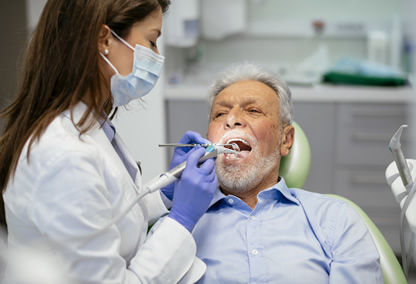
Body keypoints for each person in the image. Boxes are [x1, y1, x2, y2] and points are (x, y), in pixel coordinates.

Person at [0, 0, 218, 283]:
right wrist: (182, 220)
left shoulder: (91, 126)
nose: (156, 55)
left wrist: (167, 193)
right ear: (105, 40)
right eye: (151, 41)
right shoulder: (63, 156)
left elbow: (111, 212)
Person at [191, 63, 383, 283]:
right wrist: (177, 221)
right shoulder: (180, 226)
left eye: (253, 110)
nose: (231, 119)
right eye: (220, 114)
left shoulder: (336, 219)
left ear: (286, 139)